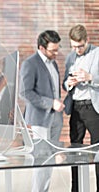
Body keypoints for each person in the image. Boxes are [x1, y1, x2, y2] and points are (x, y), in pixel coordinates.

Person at [19, 30, 64, 192]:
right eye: (53, 50)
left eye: (57, 49)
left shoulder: (53, 63)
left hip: (55, 119)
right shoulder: (30, 64)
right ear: (41, 48)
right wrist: (50, 103)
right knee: (42, 161)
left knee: (50, 160)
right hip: (40, 120)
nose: (56, 53)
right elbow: (25, 92)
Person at [62, 24, 99, 192]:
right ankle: (76, 188)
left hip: (93, 107)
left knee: (98, 150)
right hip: (76, 108)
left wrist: (90, 77)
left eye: (80, 46)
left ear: (87, 40)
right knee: (75, 149)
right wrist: (68, 84)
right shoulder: (70, 58)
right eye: (74, 46)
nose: (77, 50)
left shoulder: (97, 54)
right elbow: (64, 82)